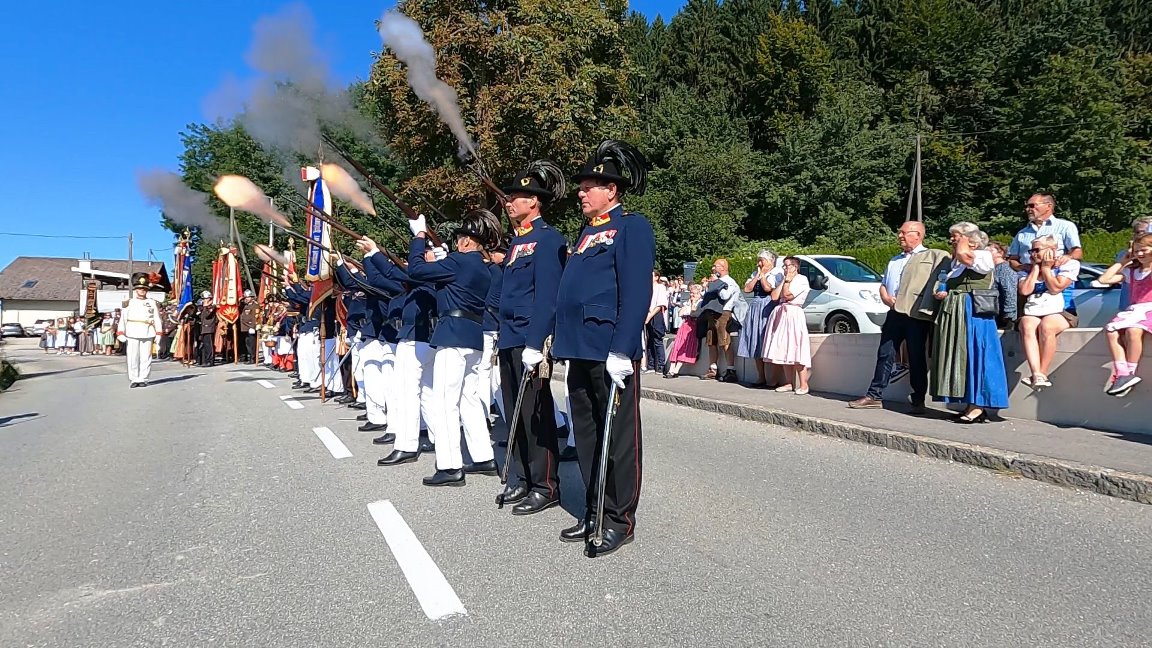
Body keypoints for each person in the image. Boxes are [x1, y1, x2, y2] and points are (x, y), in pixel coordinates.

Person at [551, 140, 655, 557]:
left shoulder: (632, 227)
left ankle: (618, 518)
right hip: (579, 348)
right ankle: (594, 509)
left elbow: (635, 292)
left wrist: (623, 348)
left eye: (589, 185)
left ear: (611, 190)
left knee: (619, 440)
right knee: (590, 436)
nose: (581, 191)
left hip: (610, 349)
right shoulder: (585, 233)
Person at [495, 159, 568, 514]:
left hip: (529, 340)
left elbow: (547, 296)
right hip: (509, 336)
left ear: (534, 202)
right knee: (514, 413)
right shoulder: (517, 242)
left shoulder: (548, 239)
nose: (510, 203)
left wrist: (536, 343)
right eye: (510, 197)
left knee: (535, 414)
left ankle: (545, 484)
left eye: (517, 197)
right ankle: (522, 478)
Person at [406, 208, 498, 486]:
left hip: (452, 335)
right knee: (469, 399)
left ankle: (449, 466)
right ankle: (483, 456)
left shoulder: (458, 261)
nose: (457, 241)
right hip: (474, 335)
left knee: (444, 402)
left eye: (460, 237)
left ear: (468, 240)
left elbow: (416, 270)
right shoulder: (483, 267)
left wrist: (419, 237)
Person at [849, 221, 950, 412]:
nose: (900, 236)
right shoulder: (895, 260)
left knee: (916, 356)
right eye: (900, 232)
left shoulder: (930, 257)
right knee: (885, 353)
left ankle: (918, 398)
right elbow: (884, 283)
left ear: (918, 234)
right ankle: (874, 395)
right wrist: (886, 297)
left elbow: (939, 283)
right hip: (894, 313)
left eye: (904, 233)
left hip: (915, 314)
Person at [930, 223, 1009, 423]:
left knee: (976, 354)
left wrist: (963, 241)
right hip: (957, 310)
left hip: (973, 312)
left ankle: (978, 405)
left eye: (955, 236)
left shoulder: (981, 256)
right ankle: (970, 402)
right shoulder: (955, 262)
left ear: (970, 240)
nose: (951, 240)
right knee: (961, 357)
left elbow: (967, 258)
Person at [1017, 235, 1079, 388]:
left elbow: (1056, 287)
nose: (1032, 254)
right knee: (1027, 324)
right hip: (1034, 311)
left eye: (1036, 250)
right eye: (1030, 251)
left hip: (1063, 312)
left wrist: (1046, 269)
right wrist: (1036, 268)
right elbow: (1024, 291)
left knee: (1047, 326)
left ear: (1052, 250)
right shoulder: (1026, 270)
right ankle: (1036, 371)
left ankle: (1042, 374)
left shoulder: (1069, 265)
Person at [1097, 232, 1152, 396]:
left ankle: (1130, 371)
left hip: (1148, 310)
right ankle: (1123, 373)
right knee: (1112, 331)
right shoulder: (1132, 272)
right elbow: (1104, 279)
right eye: (1136, 251)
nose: (1139, 254)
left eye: (1144, 250)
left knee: (1133, 331)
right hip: (1136, 309)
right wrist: (1123, 261)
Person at [762, 256, 812, 394]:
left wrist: (788, 281)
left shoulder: (801, 280)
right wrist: (785, 280)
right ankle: (789, 382)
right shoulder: (785, 280)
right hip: (782, 313)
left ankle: (803, 384)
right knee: (784, 346)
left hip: (793, 313)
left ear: (794, 267)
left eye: (786, 266)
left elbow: (788, 295)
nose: (784, 268)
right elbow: (774, 296)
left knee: (796, 346)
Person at [738, 250, 781, 387]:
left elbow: (768, 289)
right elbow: (747, 289)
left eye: (761, 260)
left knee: (766, 339)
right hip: (755, 305)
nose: (759, 263)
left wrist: (762, 276)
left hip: (767, 305)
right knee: (755, 340)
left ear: (770, 261)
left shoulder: (776, 273)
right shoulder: (754, 274)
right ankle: (761, 376)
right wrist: (757, 275)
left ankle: (773, 378)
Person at [1007, 193, 1082, 272]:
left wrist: (1067, 257)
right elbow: (1012, 259)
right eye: (1026, 206)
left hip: (1055, 277)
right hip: (1029, 279)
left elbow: (1077, 252)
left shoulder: (1065, 226)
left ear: (1048, 206)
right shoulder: (1022, 233)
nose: (1027, 209)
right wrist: (1022, 267)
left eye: (1032, 205)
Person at [116, 273, 165, 387]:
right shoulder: (129, 302)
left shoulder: (152, 302)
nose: (142, 290)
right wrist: (120, 332)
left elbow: (157, 319)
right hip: (132, 332)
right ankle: (134, 379)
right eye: (139, 288)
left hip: (148, 332)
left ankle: (143, 378)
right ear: (135, 289)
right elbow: (123, 319)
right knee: (133, 357)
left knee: (146, 357)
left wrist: (158, 333)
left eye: (144, 289)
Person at [697, 259, 741, 382]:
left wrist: (717, 284)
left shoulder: (730, 282)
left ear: (723, 267)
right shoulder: (716, 281)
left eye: (715, 266)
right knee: (711, 342)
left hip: (723, 313)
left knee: (725, 341)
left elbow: (725, 296)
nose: (713, 269)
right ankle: (713, 369)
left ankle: (731, 370)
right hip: (712, 313)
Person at [664, 283, 703, 378]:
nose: (692, 295)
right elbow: (680, 313)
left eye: (694, 293)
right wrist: (688, 305)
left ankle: (676, 370)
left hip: (692, 327)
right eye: (691, 293)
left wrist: (693, 303)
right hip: (684, 325)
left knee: (685, 347)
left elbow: (694, 312)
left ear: (699, 294)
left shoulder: (700, 303)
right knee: (677, 346)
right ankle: (671, 369)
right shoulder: (687, 303)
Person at [197, 291, 217, 367]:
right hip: (204, 328)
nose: (203, 300)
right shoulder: (204, 307)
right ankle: (206, 360)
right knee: (205, 345)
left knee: (209, 345)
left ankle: (210, 361)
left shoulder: (211, 306)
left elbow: (207, 315)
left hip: (209, 328)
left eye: (204, 299)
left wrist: (205, 307)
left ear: (209, 298)